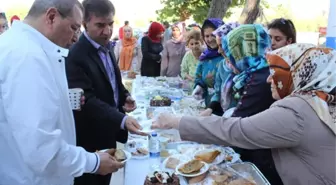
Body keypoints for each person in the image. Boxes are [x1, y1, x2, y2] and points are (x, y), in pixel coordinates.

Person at [152, 43, 336, 185]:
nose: (269, 79)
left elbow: (238, 131)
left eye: (277, 72)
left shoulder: (299, 110)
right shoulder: (320, 101)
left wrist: (177, 122)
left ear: (299, 74)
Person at [0, 0, 124, 185]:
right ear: (51, 17)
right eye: (74, 28)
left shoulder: (23, 46)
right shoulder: (28, 57)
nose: (76, 37)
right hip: (34, 179)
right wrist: (94, 162)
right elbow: (42, 150)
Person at [65, 0, 144, 185]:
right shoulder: (76, 55)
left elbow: (113, 82)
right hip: (89, 140)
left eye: (110, 24)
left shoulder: (107, 48)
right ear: (85, 24)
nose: (107, 31)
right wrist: (122, 119)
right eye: (100, 25)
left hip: (109, 133)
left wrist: (124, 96)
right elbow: (88, 100)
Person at [203, 24, 283, 184]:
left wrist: (186, 125)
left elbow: (234, 125)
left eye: (229, 49)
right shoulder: (253, 73)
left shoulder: (259, 78)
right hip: (257, 151)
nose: (222, 52)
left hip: (265, 160)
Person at [192, 18, 225, 105]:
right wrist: (199, 86)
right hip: (208, 104)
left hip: (226, 105)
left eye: (213, 35)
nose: (210, 39)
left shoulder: (228, 55)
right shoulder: (205, 57)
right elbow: (198, 76)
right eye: (206, 36)